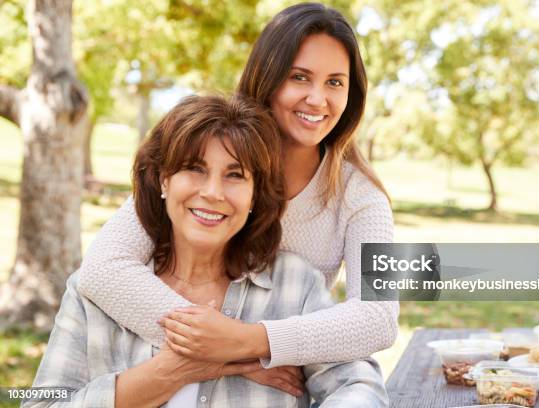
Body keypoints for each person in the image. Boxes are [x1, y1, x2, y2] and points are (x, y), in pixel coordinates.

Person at [77, 2, 397, 393]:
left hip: (276, 388)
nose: (318, 99)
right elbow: (102, 269)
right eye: (300, 77)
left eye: (335, 82)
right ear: (267, 77)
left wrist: (250, 341)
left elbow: (379, 316)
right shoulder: (207, 155)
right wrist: (220, 354)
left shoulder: (362, 197)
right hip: (157, 374)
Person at [23, 95, 388, 408]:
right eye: (194, 169)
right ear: (164, 180)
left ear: (254, 196)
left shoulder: (297, 280)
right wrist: (178, 368)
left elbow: (368, 361)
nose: (213, 192)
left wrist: (247, 341)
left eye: (234, 175)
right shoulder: (98, 290)